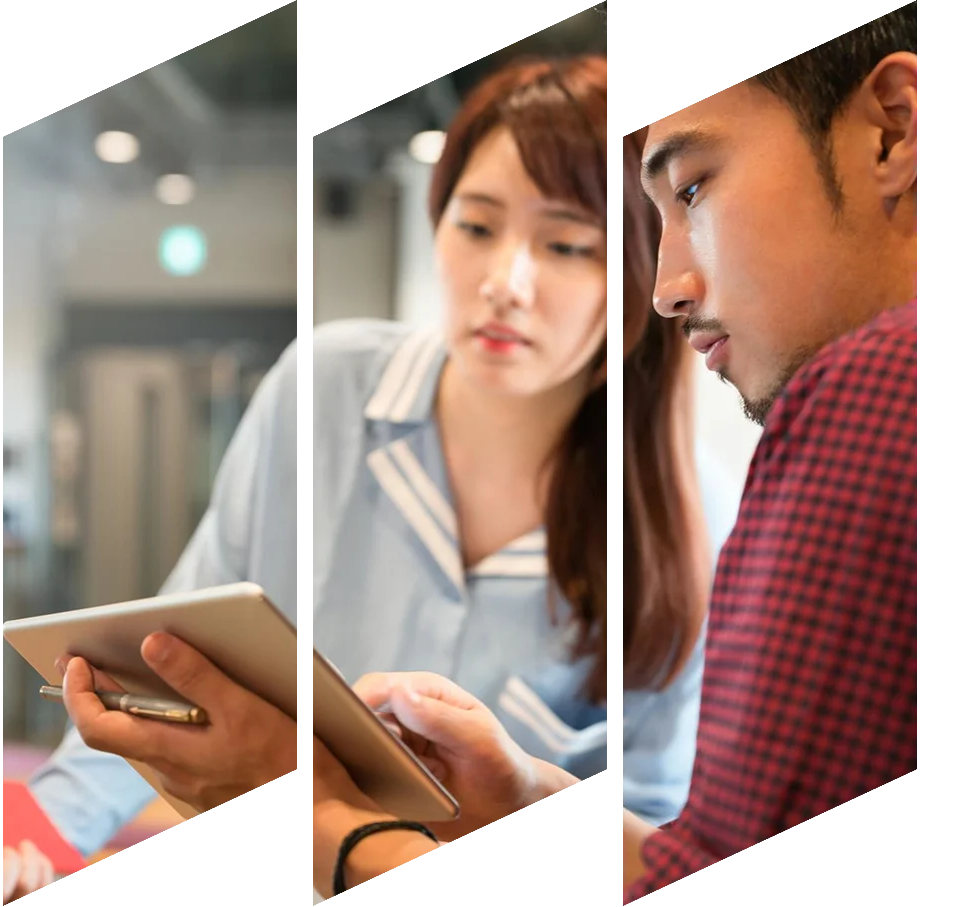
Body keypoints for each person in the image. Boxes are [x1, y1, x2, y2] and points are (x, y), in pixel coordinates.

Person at [2, 53, 742, 900]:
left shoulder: (696, 523)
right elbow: (162, 673)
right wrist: (26, 846)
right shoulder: (322, 393)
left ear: (637, 276)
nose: (506, 282)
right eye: (477, 226)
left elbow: (654, 837)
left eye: (568, 244)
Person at [308, 3, 919, 899]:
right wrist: (525, 797)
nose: (670, 287)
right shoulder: (325, 383)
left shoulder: (874, 386)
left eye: (695, 188)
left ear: (892, 129)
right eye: (474, 226)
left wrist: (342, 840)